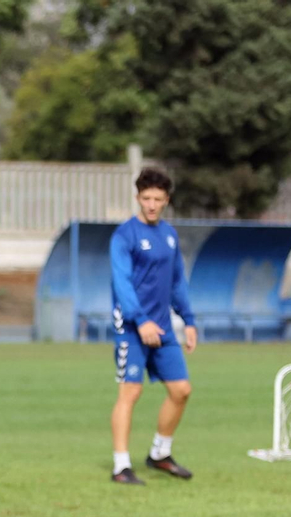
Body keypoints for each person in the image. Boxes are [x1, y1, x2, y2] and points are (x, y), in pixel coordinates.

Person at [109, 167, 196, 485]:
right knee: (130, 392)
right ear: (137, 198)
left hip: (162, 327)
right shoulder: (125, 236)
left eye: (157, 199)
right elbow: (122, 283)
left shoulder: (169, 236)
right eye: (146, 198)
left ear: (166, 200)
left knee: (181, 390)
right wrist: (140, 319)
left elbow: (177, 283)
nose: (151, 204)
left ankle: (160, 454)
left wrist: (188, 320)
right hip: (132, 327)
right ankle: (121, 466)